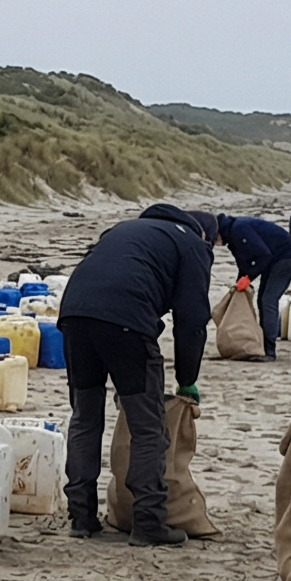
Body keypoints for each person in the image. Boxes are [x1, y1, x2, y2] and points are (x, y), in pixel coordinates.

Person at [58, 203, 216, 546]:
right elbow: (192, 323)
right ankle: (148, 523)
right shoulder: (191, 244)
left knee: (85, 418)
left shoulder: (124, 231)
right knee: (148, 430)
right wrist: (187, 378)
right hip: (126, 323)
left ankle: (81, 516)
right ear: (206, 238)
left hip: (73, 314)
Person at [218, 213, 291, 360]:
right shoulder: (233, 234)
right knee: (263, 300)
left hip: (286, 257)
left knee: (268, 300)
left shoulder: (239, 229)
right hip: (275, 258)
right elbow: (246, 262)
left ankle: (270, 350)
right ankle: (263, 346)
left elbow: (263, 256)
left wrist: (248, 278)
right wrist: (241, 280)